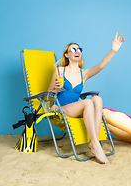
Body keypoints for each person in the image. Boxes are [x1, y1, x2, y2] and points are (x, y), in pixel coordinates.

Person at [48, 32, 125, 164]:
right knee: (88, 103)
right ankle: (96, 145)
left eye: (79, 49)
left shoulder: (84, 73)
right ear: (67, 54)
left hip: (76, 108)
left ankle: (93, 142)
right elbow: (49, 93)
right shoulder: (60, 71)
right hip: (60, 108)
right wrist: (55, 88)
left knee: (97, 99)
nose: (77, 51)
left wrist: (113, 50)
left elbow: (100, 65)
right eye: (73, 49)